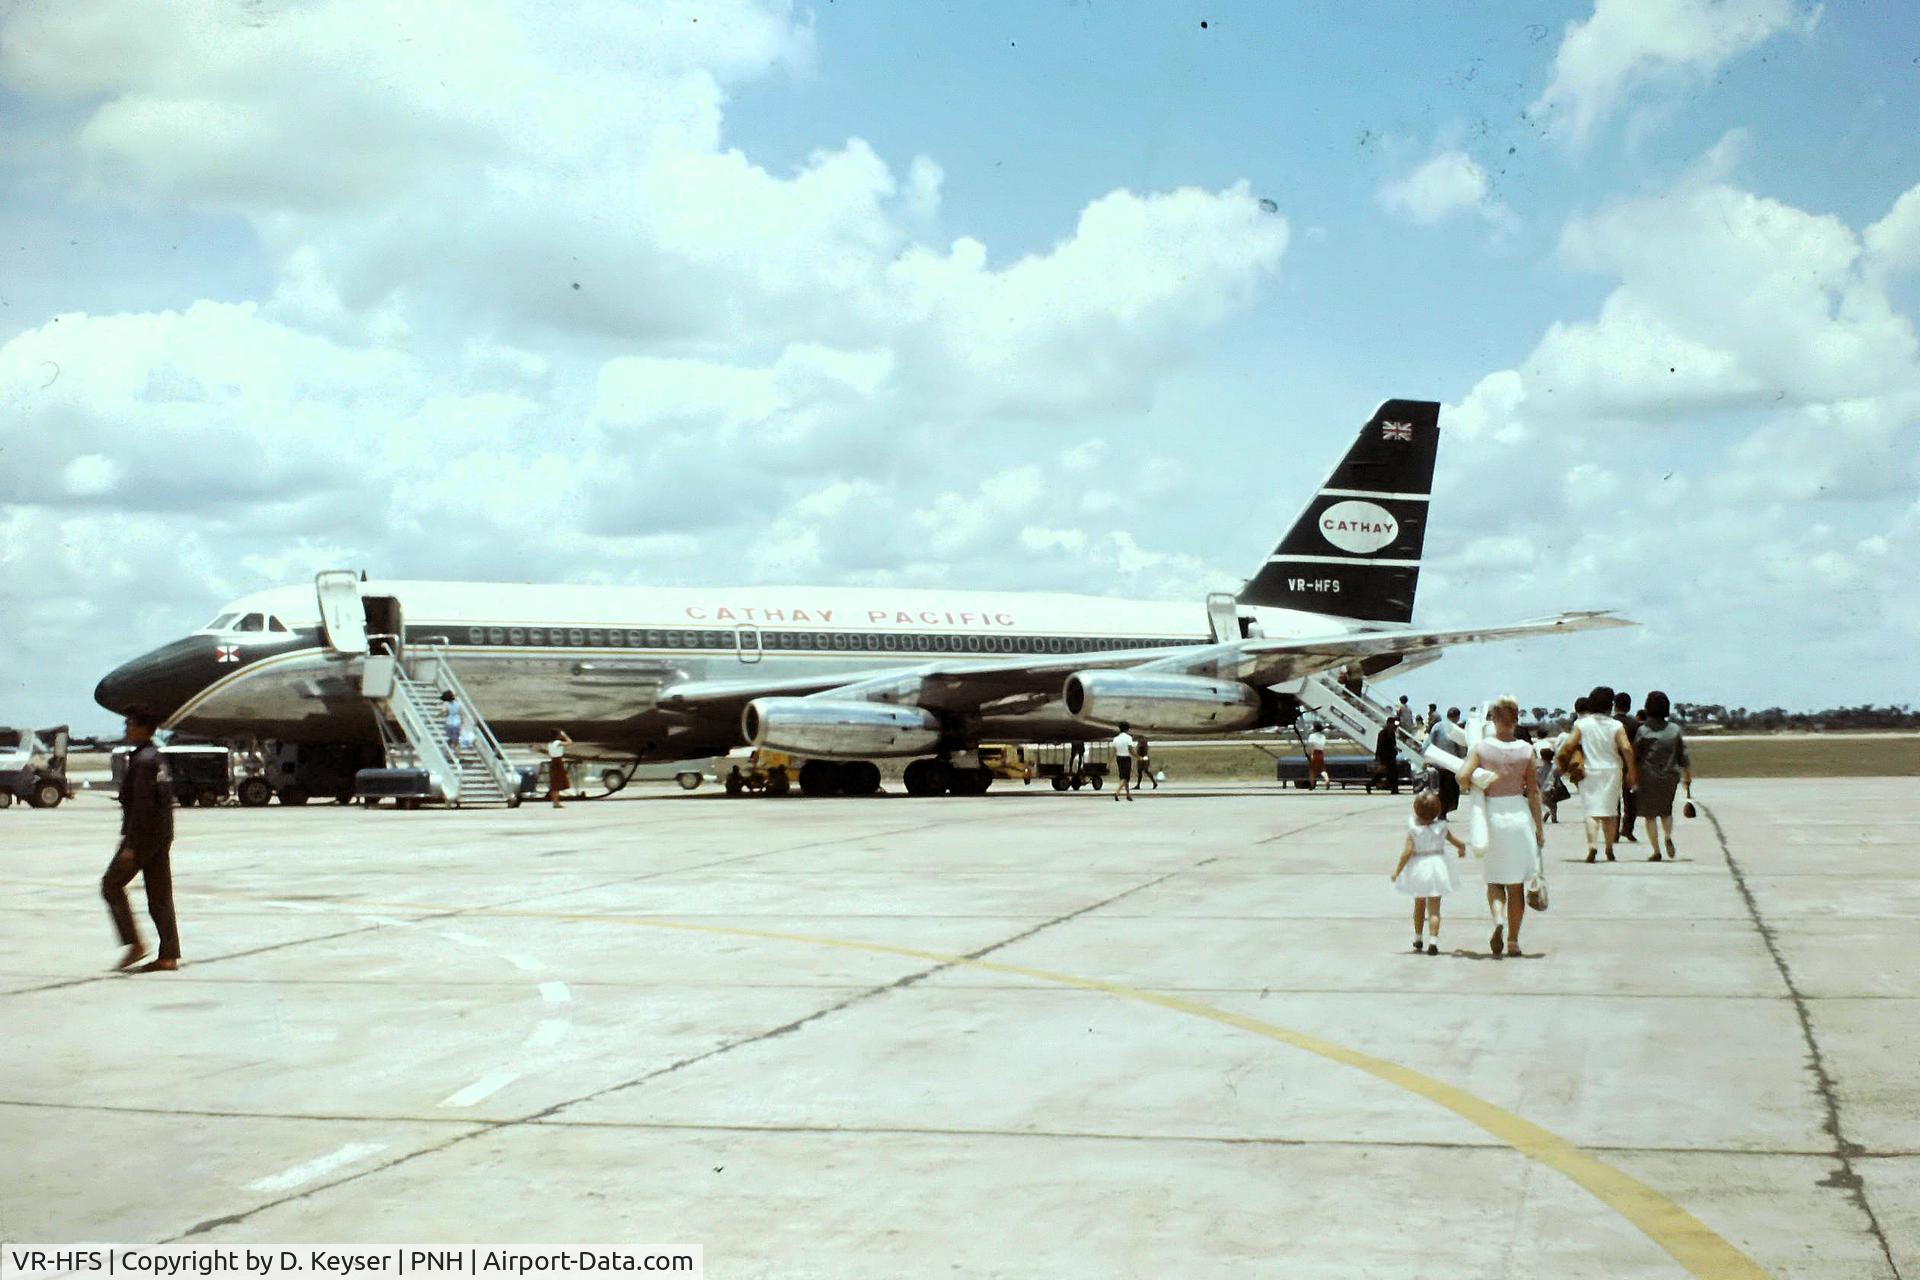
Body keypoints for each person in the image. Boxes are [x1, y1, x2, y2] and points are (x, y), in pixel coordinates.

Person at [1457, 695, 1545, 958]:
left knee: (1495, 879)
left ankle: (1498, 918)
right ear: (1516, 720)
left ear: (1493, 719)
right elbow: (1534, 793)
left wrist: (1477, 779)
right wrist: (1539, 827)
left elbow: (1461, 777)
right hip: (1518, 815)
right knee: (1516, 883)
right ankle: (1514, 941)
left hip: (1492, 816)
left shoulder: (1482, 749)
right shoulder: (1527, 751)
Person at [102, 709, 181, 973]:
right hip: (160, 834)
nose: (126, 728)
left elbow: (143, 807)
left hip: (143, 836)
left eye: (130, 724)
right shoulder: (155, 757)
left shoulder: (143, 761)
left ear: (143, 728)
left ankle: (134, 944)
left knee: (111, 885)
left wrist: (131, 846)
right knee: (159, 895)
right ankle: (168, 955)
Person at [1560, 685, 1638, 863]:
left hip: (1590, 771)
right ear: (1609, 705)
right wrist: (1632, 770)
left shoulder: (1582, 724)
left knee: (1592, 811)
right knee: (1610, 812)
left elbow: (1569, 745)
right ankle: (1609, 849)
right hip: (1612, 770)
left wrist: (1564, 763)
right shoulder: (1616, 725)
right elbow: (1626, 748)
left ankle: (1593, 846)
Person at [1391, 789, 1468, 954]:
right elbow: (1457, 842)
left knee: (1419, 905)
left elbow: (1407, 852)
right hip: (1437, 866)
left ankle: (1418, 937)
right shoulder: (1442, 827)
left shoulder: (1413, 829)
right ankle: (1433, 941)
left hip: (1419, 866)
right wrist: (1462, 848)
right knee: (1434, 908)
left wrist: (1397, 871)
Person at [1633, 691, 1693, 861]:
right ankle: (1668, 836)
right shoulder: (1675, 730)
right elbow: (1684, 756)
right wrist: (1687, 776)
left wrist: (1632, 776)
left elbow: (1635, 755)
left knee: (1650, 815)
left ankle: (1656, 850)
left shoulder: (1643, 731)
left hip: (1648, 776)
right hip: (1670, 777)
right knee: (1666, 811)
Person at [1426, 707, 1467, 815]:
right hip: (1451, 764)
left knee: (1442, 788)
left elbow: (1430, 742)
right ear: (1457, 717)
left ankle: (1441, 811)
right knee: (1450, 789)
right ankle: (1443, 811)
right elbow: (1461, 748)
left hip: (1438, 762)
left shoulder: (1437, 726)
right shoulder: (1456, 729)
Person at [1614, 691, 1640, 843]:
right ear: (1629, 707)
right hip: (1630, 765)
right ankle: (1627, 829)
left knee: (1613, 801)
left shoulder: (1610, 723)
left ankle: (1614, 830)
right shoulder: (1634, 724)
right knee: (1631, 800)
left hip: (1613, 764)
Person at [1373, 720, 1401, 794]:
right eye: (1392, 724)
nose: (1394, 726)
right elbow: (1381, 746)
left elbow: (1392, 744)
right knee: (1385, 773)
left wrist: (1395, 748)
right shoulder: (1383, 733)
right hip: (1385, 757)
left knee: (1392, 773)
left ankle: (1394, 789)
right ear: (1388, 723)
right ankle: (1371, 784)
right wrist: (1378, 757)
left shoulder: (1391, 733)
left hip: (1391, 757)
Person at [546, 729, 572, 808]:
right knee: (557, 783)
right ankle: (556, 803)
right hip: (558, 762)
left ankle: (555, 802)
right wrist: (565, 736)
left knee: (554, 783)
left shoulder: (550, 743)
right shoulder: (557, 742)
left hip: (553, 761)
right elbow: (570, 742)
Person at [1111, 722, 1135, 801]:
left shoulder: (1116, 739)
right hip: (1126, 758)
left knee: (1123, 776)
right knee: (1125, 778)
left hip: (1119, 758)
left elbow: (1114, 751)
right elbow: (1131, 750)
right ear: (1128, 729)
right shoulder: (1128, 738)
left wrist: (1109, 761)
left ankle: (1128, 794)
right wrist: (1138, 757)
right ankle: (1117, 792)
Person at [1305, 721, 1329, 790]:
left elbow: (1311, 746)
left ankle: (1311, 785)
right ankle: (1326, 779)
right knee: (1322, 769)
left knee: (1312, 770)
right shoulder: (1323, 736)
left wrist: (1310, 755)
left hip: (1314, 753)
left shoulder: (1312, 736)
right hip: (1321, 753)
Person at [440, 691, 465, 757]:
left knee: (451, 740)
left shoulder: (446, 704)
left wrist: (438, 715)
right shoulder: (457, 704)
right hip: (456, 724)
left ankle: (448, 753)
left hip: (449, 724)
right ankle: (456, 755)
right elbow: (461, 714)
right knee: (456, 742)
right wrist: (462, 723)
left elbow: (443, 712)